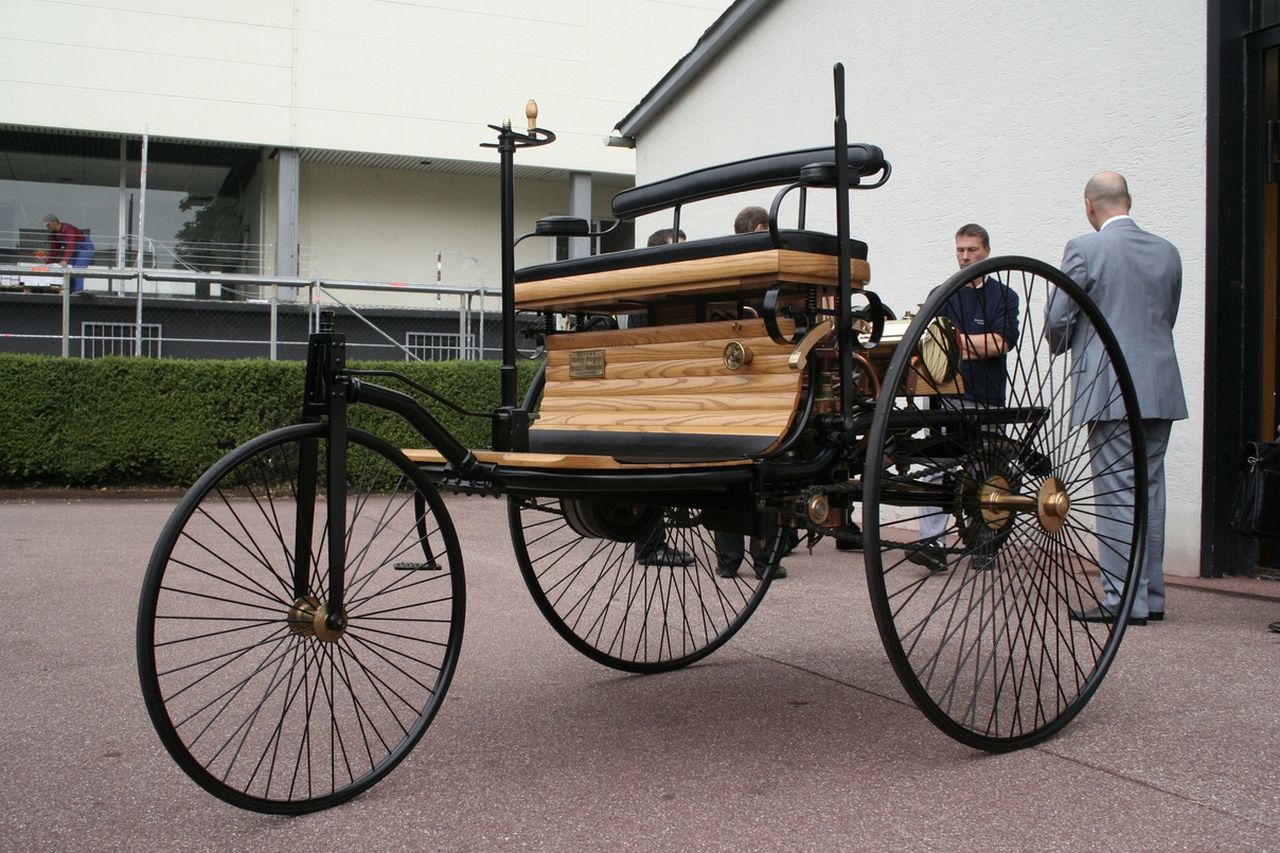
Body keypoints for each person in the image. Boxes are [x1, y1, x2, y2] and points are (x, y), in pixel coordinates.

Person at [1049, 171, 1187, 627]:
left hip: (1109, 386)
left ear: (1089, 205)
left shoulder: (1085, 249)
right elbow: (1166, 314)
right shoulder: (1167, 251)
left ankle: (1121, 597)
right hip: (1160, 383)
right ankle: (1151, 593)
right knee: (1151, 490)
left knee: (1114, 492)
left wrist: (1062, 343)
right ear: (1128, 201)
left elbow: (1058, 319)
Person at [911, 224, 1020, 573]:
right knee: (934, 471)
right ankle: (933, 546)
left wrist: (954, 344)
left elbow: (1001, 343)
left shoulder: (1003, 296)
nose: (965, 257)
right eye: (960, 250)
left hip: (986, 397)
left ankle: (985, 542)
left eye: (972, 250)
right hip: (945, 400)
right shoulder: (941, 293)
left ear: (986, 250)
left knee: (986, 472)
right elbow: (929, 345)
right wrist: (972, 344)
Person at [632, 225, 695, 567]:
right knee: (652, 464)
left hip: (657, 386)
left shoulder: (650, 288)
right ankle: (650, 543)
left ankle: (651, 540)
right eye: (678, 251)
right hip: (655, 390)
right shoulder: (656, 291)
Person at [42, 214, 95, 294]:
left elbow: (71, 244)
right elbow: (54, 251)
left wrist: (65, 260)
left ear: (55, 221)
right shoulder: (55, 234)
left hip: (85, 249)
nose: (47, 227)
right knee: (68, 270)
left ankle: (78, 292)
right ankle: (69, 291)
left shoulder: (68, 228)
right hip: (73, 251)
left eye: (48, 224)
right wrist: (47, 265)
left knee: (78, 269)